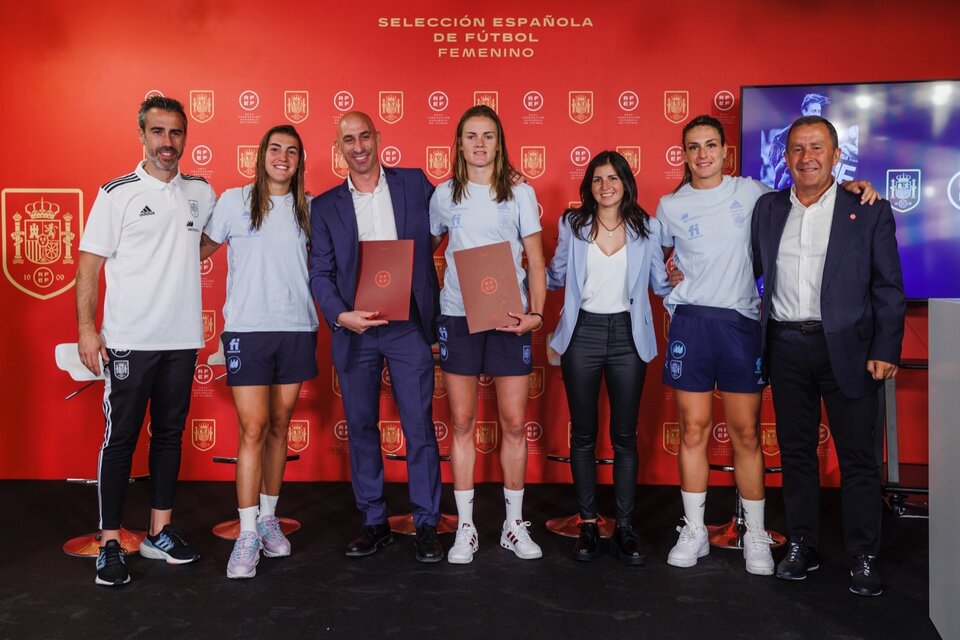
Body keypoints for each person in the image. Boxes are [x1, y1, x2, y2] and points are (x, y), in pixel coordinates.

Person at [658, 115, 877, 576]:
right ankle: (694, 529)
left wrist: (854, 185)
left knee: (746, 433)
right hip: (692, 324)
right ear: (683, 154)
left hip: (742, 325)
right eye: (693, 147)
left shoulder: (754, 194)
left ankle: (754, 533)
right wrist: (669, 278)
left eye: (711, 145)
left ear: (724, 151)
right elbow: (656, 260)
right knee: (693, 429)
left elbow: (811, 192)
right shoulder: (669, 206)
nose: (703, 155)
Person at [752, 115, 905, 597]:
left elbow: (888, 288)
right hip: (785, 345)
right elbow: (744, 265)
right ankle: (802, 545)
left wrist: (885, 348)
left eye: (817, 147)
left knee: (858, 457)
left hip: (852, 350)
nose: (806, 157)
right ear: (786, 157)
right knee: (797, 454)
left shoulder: (868, 209)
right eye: (797, 149)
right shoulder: (769, 208)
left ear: (836, 156)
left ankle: (862, 555)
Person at [76, 96, 216, 586]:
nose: (167, 142)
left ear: (185, 137)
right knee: (121, 440)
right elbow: (90, 264)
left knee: (169, 436)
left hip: (181, 339)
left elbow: (200, 242)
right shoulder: (117, 194)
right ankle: (110, 541)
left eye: (176, 133)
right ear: (142, 136)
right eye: (158, 132)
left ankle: (160, 531)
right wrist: (88, 329)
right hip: (130, 341)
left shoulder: (201, 191)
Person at [309, 111, 444, 563]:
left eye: (365, 136)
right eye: (348, 139)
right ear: (339, 148)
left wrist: (509, 178)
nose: (359, 146)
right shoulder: (325, 206)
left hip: (407, 325)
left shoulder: (414, 184)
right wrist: (340, 315)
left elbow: (460, 204)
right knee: (363, 428)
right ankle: (373, 522)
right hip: (356, 329)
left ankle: (427, 523)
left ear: (379, 137)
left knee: (419, 427)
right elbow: (321, 274)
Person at [199, 125, 318, 579]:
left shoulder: (309, 208)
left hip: (296, 329)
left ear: (299, 160)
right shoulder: (233, 200)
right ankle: (247, 532)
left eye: (291, 151)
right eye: (275, 148)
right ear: (261, 154)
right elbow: (199, 249)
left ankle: (269, 518)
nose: (282, 157)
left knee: (279, 425)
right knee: (253, 427)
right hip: (247, 331)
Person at [430, 104, 546, 564]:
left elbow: (535, 261)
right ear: (459, 144)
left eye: (488, 136)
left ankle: (513, 525)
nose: (480, 144)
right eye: (471, 136)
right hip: (458, 318)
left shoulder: (520, 193)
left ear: (500, 143)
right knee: (461, 424)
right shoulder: (443, 195)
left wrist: (535, 315)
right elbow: (424, 250)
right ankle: (465, 528)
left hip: (508, 319)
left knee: (514, 424)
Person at [546, 151, 671, 564]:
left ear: (625, 183)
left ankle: (625, 527)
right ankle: (586, 524)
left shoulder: (647, 227)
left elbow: (659, 284)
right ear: (589, 186)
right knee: (583, 433)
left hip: (627, 337)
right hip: (581, 333)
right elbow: (556, 275)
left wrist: (689, 283)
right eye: (597, 179)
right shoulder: (573, 224)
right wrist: (516, 267)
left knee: (624, 436)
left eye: (612, 178)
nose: (605, 186)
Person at [771, 94, 830, 189]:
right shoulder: (793, 129)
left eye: (819, 111)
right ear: (804, 111)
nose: (817, 114)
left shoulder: (825, 131)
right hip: (793, 162)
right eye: (814, 111)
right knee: (779, 172)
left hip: (814, 166)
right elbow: (779, 142)